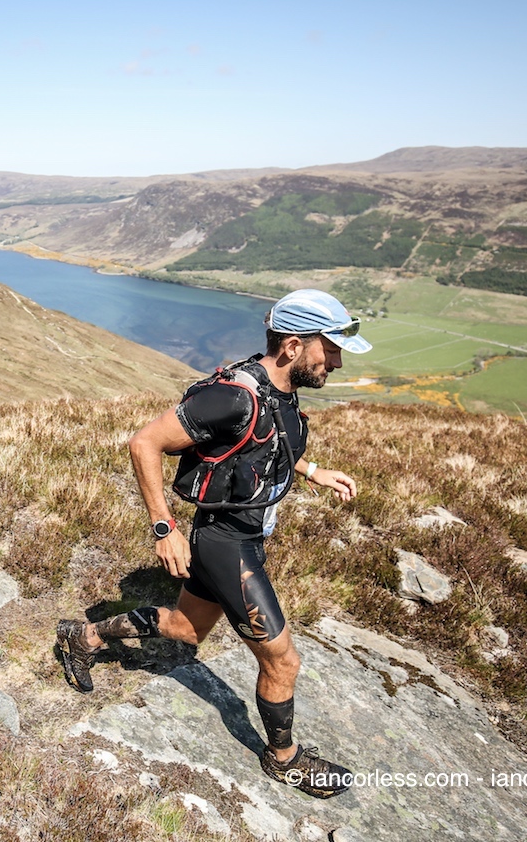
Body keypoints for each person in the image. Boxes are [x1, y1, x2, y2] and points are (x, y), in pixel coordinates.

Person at [56, 288, 371, 799]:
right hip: (226, 542)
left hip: (241, 536)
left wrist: (313, 471)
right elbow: (145, 442)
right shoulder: (229, 397)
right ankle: (284, 758)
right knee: (282, 661)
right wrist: (165, 528)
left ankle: (85, 636)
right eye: (329, 348)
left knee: (184, 629)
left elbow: (263, 446)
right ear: (293, 346)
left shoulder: (281, 388)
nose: (335, 360)